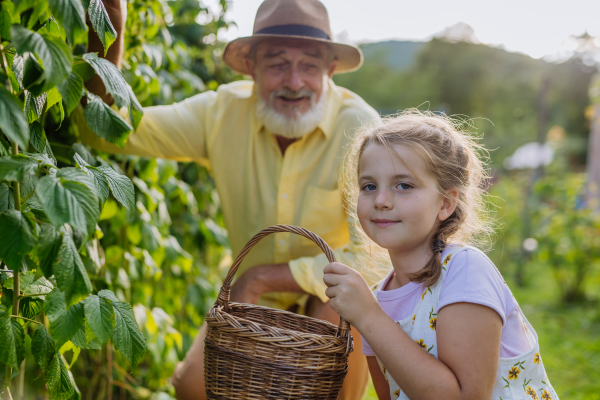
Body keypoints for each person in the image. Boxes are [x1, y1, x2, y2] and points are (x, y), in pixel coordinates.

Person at [82, 0, 388, 398]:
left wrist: (262, 277)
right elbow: (105, 131)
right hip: (249, 305)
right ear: (252, 68)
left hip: (328, 293)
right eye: (277, 64)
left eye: (309, 66)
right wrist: (111, 29)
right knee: (192, 388)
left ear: (329, 70)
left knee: (331, 375)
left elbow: (374, 256)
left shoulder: (359, 128)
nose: (294, 82)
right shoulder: (221, 113)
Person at [322, 111, 560, 399]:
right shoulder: (376, 298)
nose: (381, 200)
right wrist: (368, 314)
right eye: (369, 186)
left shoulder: (465, 270)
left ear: (446, 203)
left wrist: (368, 316)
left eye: (404, 185)